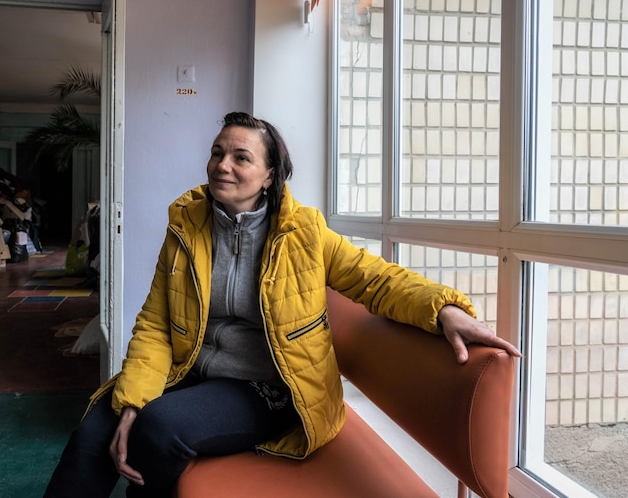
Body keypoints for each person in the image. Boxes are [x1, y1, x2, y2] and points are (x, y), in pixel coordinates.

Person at [43, 112, 521, 498]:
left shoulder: (304, 233)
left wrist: (446, 310)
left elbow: (377, 280)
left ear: (269, 175)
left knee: (160, 426)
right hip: (190, 370)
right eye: (216, 153)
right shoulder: (187, 227)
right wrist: (130, 401)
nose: (221, 165)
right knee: (94, 429)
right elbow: (156, 322)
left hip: (270, 388)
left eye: (240, 157)